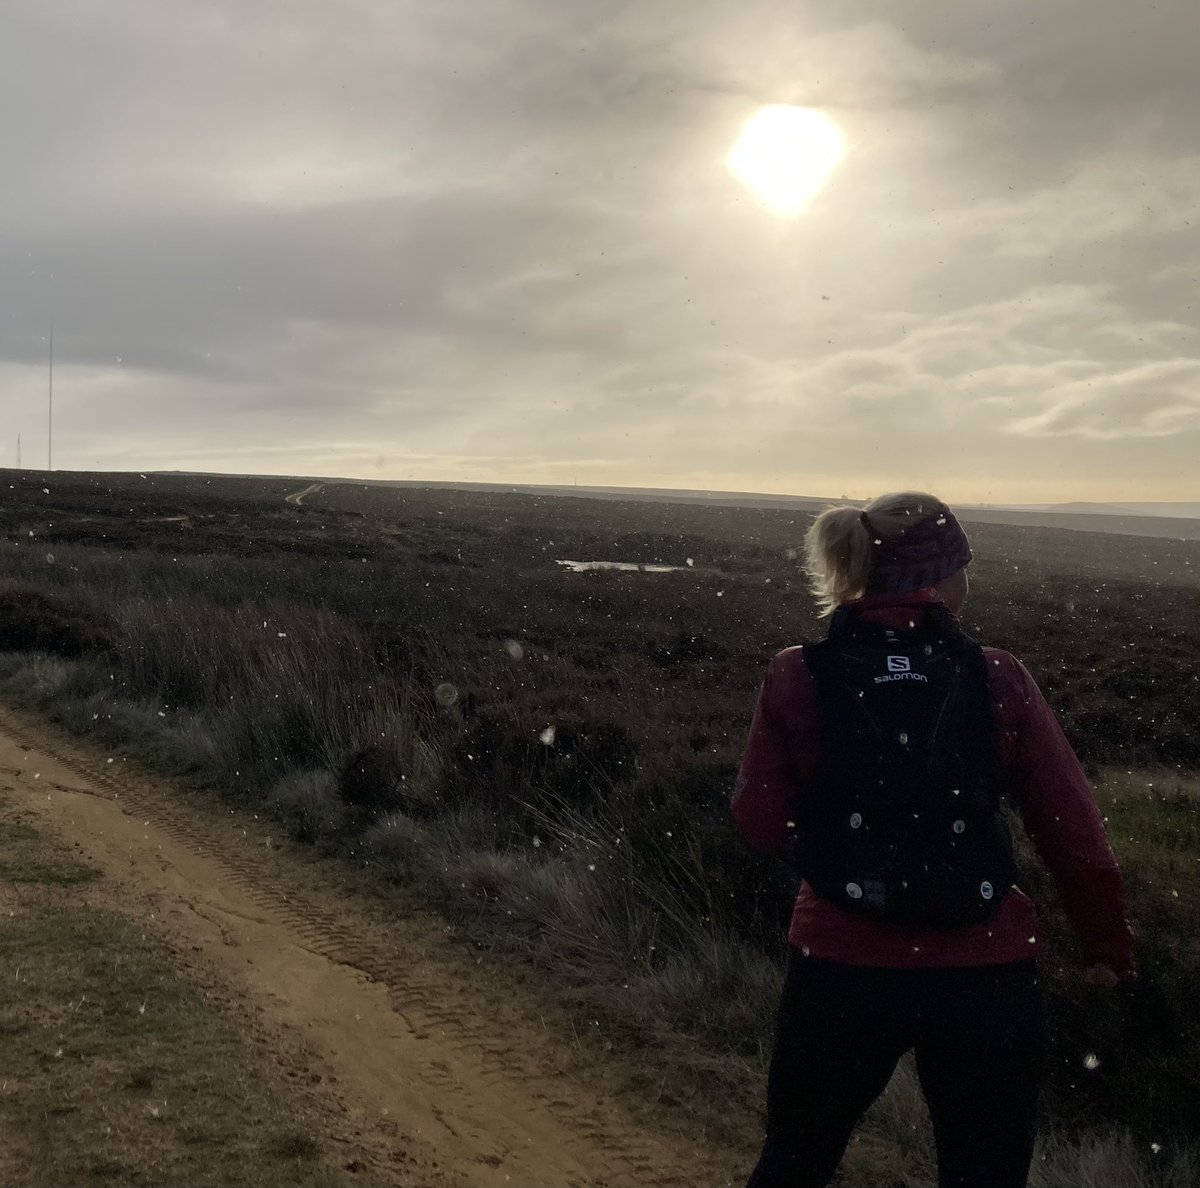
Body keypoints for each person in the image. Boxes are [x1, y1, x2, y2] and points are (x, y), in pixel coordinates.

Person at [732, 491, 1137, 1188]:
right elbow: (1074, 831)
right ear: (944, 577)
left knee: (797, 1156)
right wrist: (1105, 945)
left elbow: (756, 821)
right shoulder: (999, 677)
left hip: (841, 964)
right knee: (984, 1172)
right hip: (984, 970)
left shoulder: (799, 672)